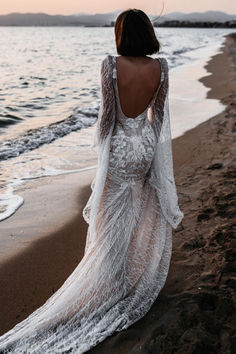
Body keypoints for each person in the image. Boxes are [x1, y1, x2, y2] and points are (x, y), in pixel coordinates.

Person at [0, 8, 183, 354]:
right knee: (136, 207)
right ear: (147, 33)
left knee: (106, 213)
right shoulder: (163, 68)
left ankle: (112, 280)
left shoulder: (110, 66)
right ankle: (132, 274)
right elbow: (158, 118)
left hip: (118, 149)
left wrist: (102, 152)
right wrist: (147, 151)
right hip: (144, 146)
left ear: (121, 35)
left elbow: (106, 119)